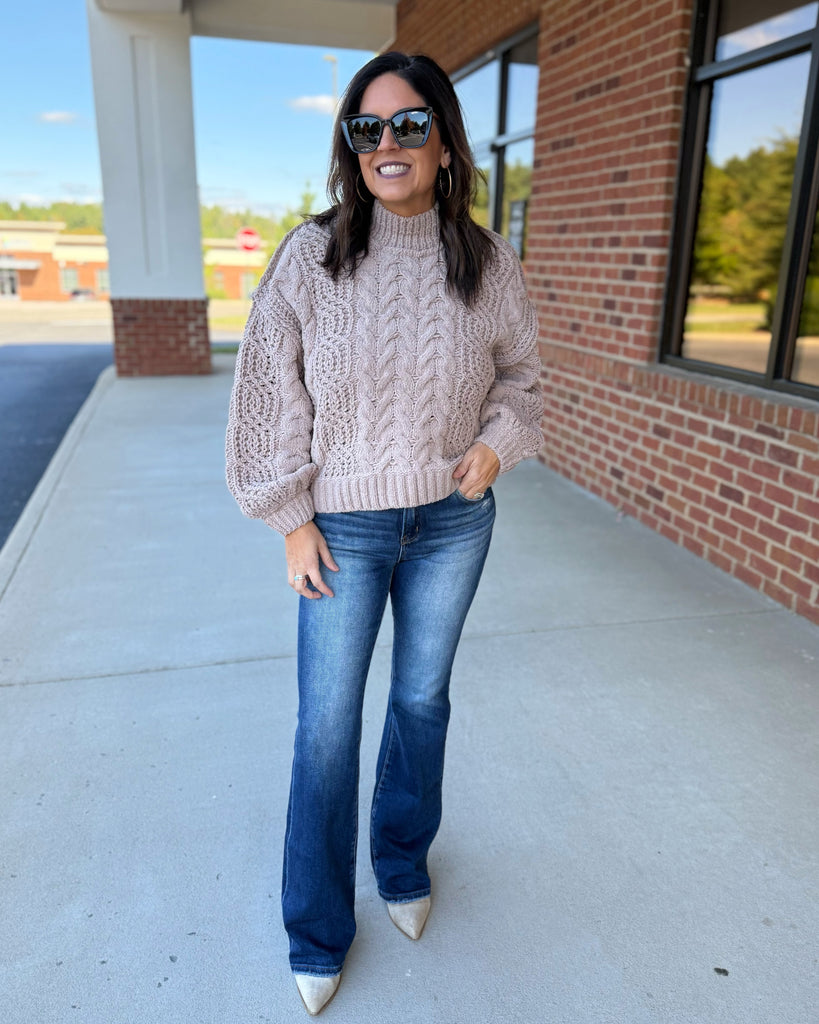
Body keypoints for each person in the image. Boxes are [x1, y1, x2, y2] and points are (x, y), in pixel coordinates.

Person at [225, 50, 543, 1016]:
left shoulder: (487, 261)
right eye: (368, 128)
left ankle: (401, 864)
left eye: (410, 124)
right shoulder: (310, 256)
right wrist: (289, 518)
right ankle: (318, 928)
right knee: (326, 728)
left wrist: (496, 444)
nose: (387, 143)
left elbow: (520, 379)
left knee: (420, 703)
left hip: (453, 523)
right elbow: (268, 391)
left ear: (444, 142)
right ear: (351, 146)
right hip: (343, 532)